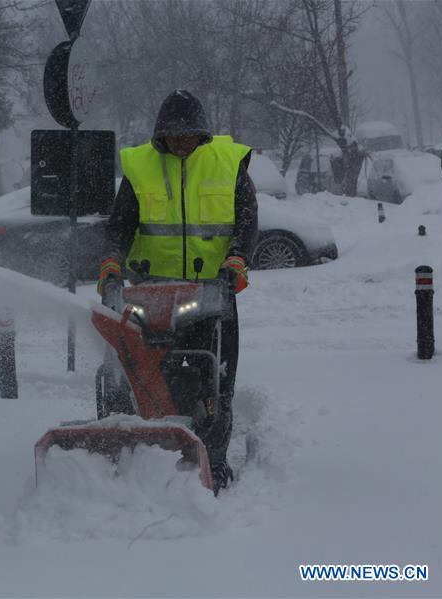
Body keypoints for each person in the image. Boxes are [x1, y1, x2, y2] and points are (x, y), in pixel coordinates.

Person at [97, 89, 258, 494]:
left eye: (188, 136)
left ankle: (213, 458)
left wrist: (236, 260)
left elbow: (246, 223)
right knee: (133, 375)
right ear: (160, 136)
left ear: (201, 134)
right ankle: (129, 448)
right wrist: (112, 267)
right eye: (173, 136)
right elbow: (119, 227)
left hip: (211, 297)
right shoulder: (140, 168)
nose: (181, 143)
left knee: (215, 380)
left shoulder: (229, 163)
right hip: (150, 296)